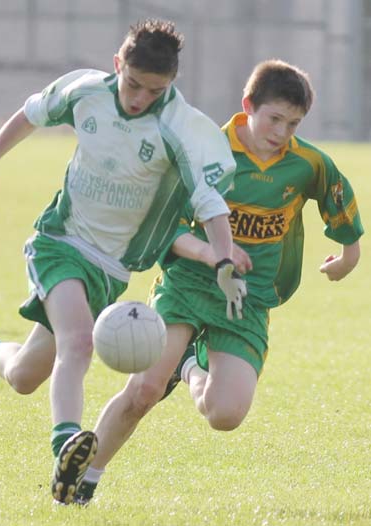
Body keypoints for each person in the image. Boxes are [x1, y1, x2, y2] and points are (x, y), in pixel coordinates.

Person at [0, 19, 246, 505]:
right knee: (78, 343)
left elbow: (211, 206)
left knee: (24, 376)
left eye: (154, 90)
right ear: (118, 65)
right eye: (133, 83)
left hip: (111, 270)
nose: (140, 97)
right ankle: (66, 449)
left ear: (171, 84)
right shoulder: (85, 91)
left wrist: (224, 262)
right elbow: (31, 113)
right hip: (60, 242)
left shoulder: (180, 128)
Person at [70, 58, 364, 505]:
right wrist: (209, 253)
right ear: (248, 106)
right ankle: (82, 480)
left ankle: (189, 365)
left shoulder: (307, 164)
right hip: (187, 284)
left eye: (294, 123)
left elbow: (337, 200)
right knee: (144, 391)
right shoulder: (205, 149)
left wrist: (347, 257)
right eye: (274, 119)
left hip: (248, 300)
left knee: (225, 415)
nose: (282, 132)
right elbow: (161, 220)